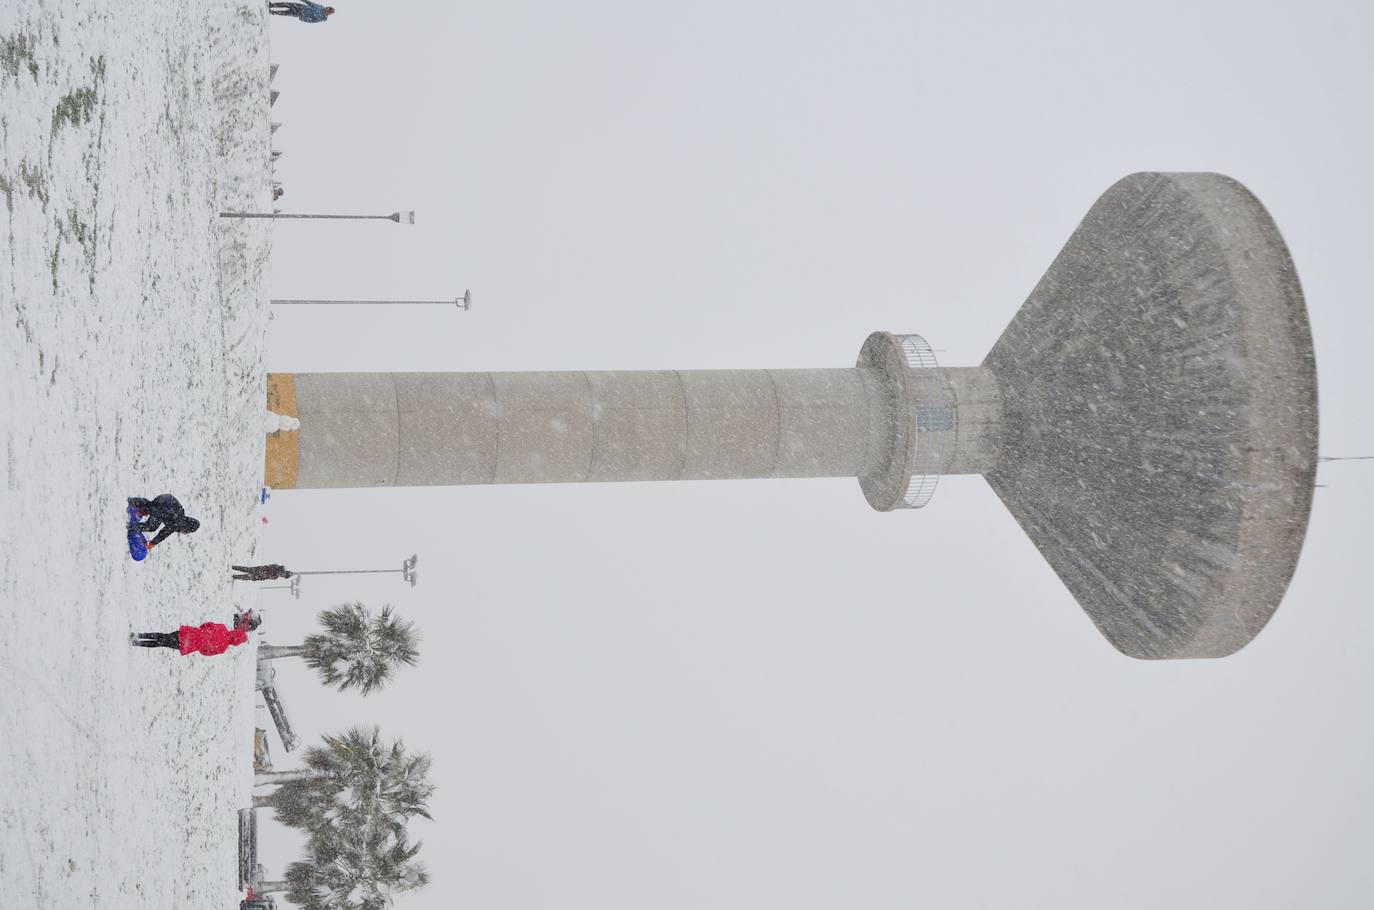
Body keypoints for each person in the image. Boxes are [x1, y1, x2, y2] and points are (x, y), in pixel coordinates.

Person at [131, 612, 259, 656]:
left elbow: (206, 625)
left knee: (163, 636)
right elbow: (205, 653)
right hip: (188, 645)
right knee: (162, 644)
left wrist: (200, 633)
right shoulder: (222, 648)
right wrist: (200, 645)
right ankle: (138, 643)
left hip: (189, 634)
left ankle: (140, 635)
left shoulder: (223, 628)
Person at [127, 494, 200, 550]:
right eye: (188, 531)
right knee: (151, 527)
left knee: (151, 506)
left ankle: (134, 501)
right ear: (186, 528)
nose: (186, 533)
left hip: (165, 499)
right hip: (164, 503)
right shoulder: (177, 521)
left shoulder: (179, 521)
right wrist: (146, 510)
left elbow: (165, 532)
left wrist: (153, 542)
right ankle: (131, 528)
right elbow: (164, 530)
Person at [267, 2, 335, 23]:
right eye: (328, 7)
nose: (327, 8)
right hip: (300, 6)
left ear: (328, 13)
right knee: (285, 4)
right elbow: (311, 3)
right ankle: (272, 5)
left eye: (328, 10)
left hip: (300, 13)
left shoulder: (321, 17)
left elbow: (311, 21)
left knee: (286, 12)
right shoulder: (320, 7)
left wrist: (303, 18)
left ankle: (273, 12)